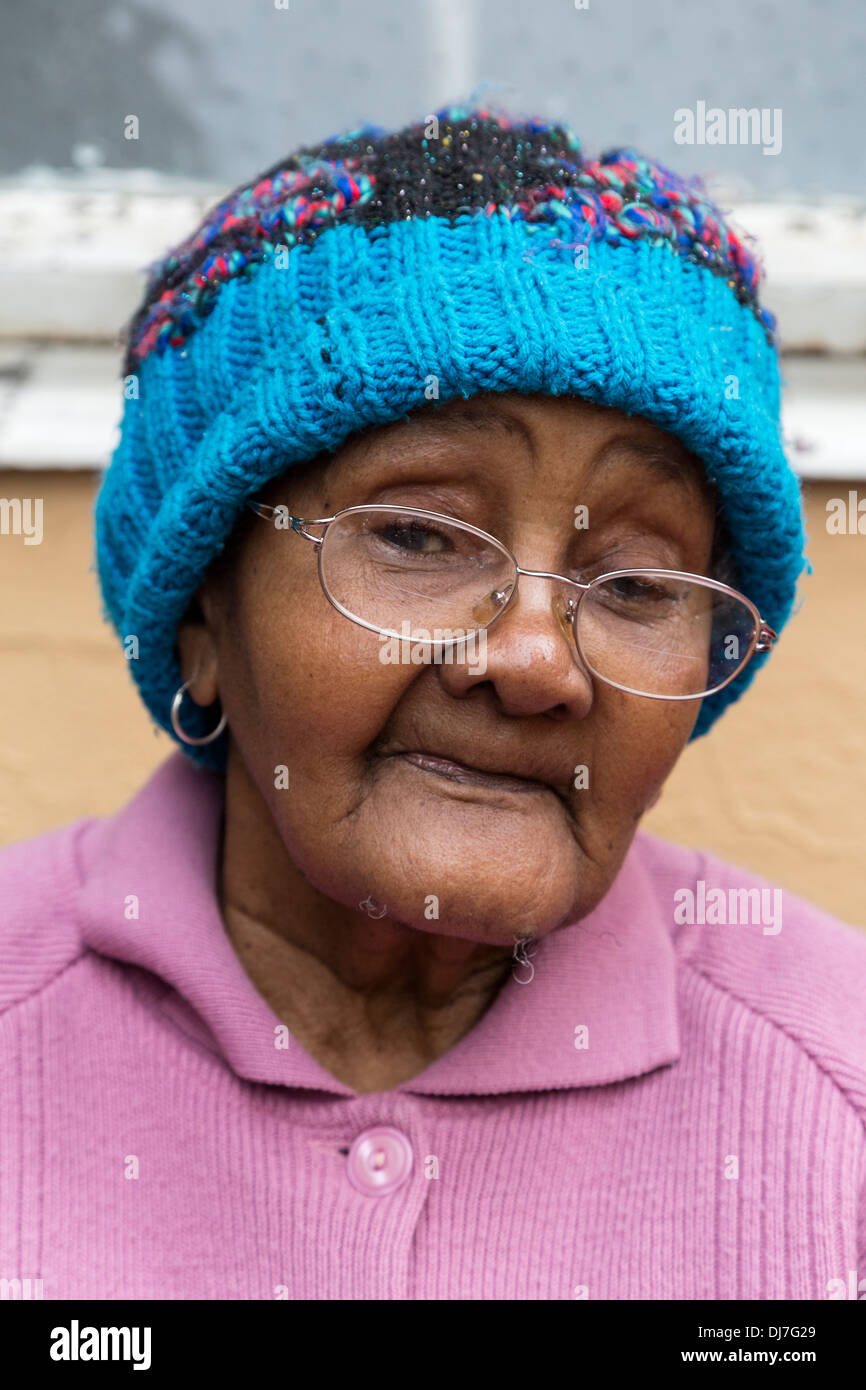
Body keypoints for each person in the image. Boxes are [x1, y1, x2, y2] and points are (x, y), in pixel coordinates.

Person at [1, 105, 864, 1301]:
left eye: (632, 581)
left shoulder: (837, 1085)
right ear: (204, 614)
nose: (532, 661)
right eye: (415, 532)